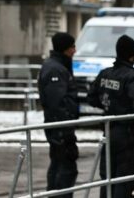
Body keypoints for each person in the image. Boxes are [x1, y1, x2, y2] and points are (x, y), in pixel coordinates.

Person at [87, 35, 134, 198]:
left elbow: (91, 97)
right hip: (126, 134)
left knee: (106, 178)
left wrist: (108, 105)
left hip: (108, 130)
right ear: (132, 56)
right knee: (123, 179)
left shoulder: (105, 73)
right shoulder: (132, 77)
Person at [38, 32, 79, 198]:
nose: (75, 50)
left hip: (61, 127)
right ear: (65, 49)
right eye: (72, 47)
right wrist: (64, 127)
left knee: (60, 166)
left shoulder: (58, 66)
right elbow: (56, 102)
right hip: (60, 129)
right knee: (64, 169)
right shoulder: (56, 69)